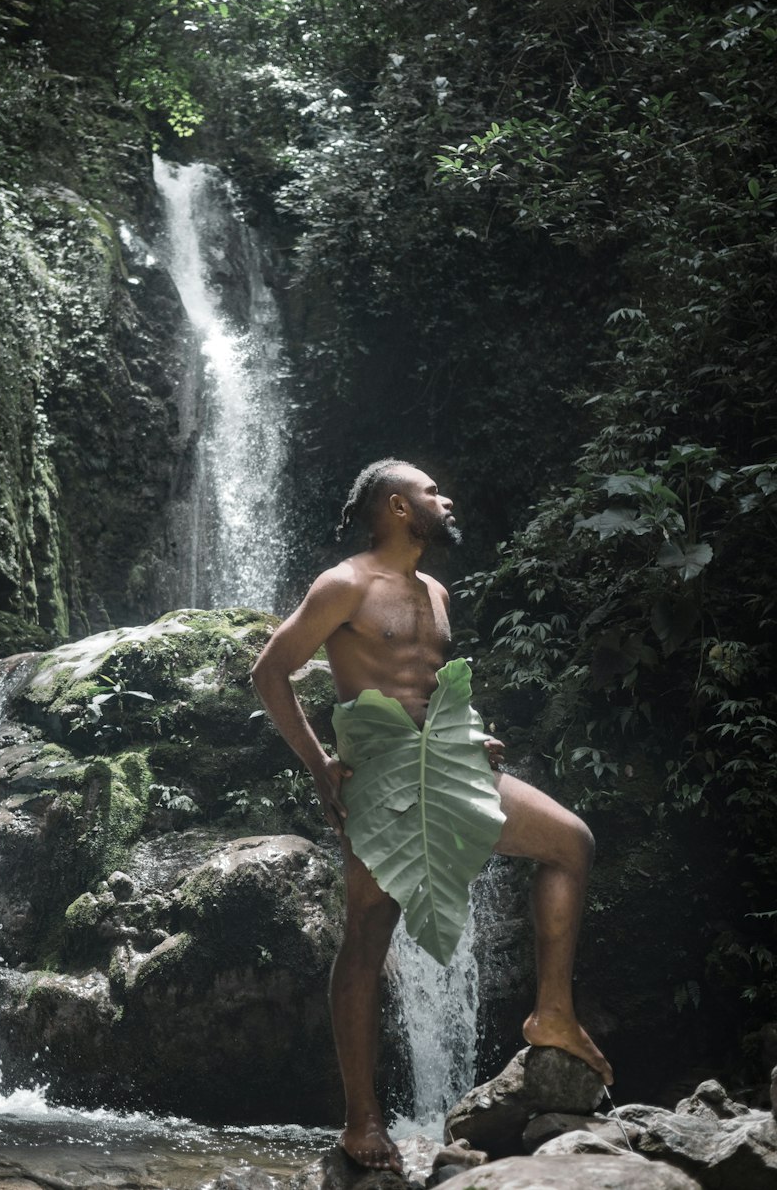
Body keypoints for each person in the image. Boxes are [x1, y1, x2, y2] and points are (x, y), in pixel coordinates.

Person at [251, 458, 612, 1174]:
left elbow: (429, 694)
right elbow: (270, 671)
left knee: (570, 842)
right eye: (431, 491)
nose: (445, 499)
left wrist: (468, 734)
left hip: (445, 767)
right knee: (368, 933)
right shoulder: (344, 584)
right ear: (397, 507)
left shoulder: (438, 593)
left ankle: (552, 1013)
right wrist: (322, 765)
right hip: (382, 778)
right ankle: (362, 1122)